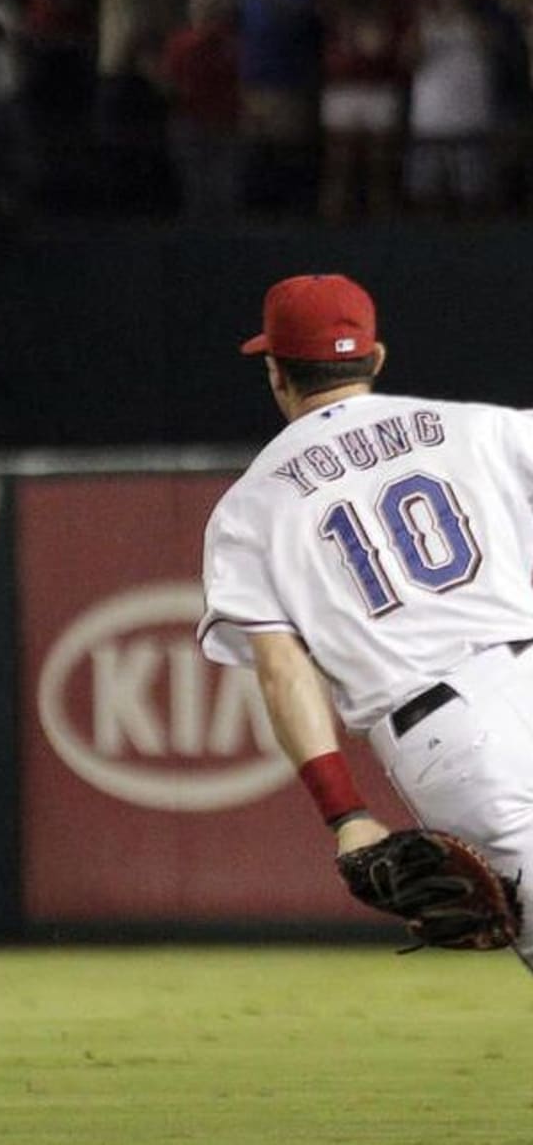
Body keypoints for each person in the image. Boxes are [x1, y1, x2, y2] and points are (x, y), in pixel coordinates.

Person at [198, 273, 533, 962]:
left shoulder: (250, 507)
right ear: (375, 357)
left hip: (449, 735)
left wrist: (345, 814)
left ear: (275, 372)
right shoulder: (482, 428)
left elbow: (282, 671)